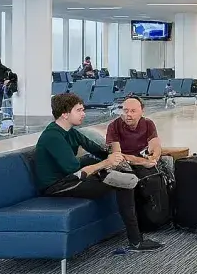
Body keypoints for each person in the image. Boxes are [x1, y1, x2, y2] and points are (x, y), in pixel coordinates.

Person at [35, 93, 162, 252]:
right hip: (58, 186)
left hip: (73, 178)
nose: (84, 113)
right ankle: (136, 241)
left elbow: (95, 148)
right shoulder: (53, 136)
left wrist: (115, 157)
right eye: (79, 110)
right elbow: (73, 168)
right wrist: (106, 163)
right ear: (65, 114)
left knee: (125, 178)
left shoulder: (70, 131)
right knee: (126, 182)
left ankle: (136, 238)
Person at [106, 95, 163, 170]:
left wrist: (154, 158)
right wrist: (143, 161)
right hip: (125, 161)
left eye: (133, 111)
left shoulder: (148, 123)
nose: (128, 114)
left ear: (142, 112)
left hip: (143, 155)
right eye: (125, 111)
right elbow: (116, 155)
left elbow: (155, 145)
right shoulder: (113, 126)